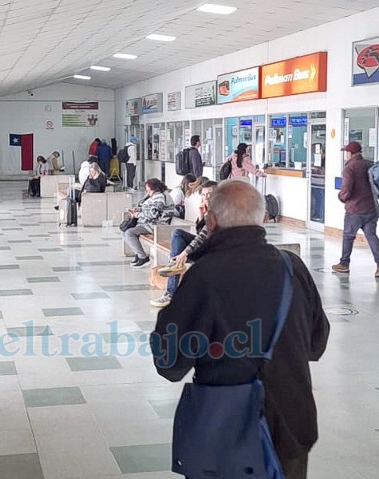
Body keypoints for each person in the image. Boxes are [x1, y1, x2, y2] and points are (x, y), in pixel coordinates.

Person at [151, 179, 330, 479]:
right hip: (291, 424)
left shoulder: (203, 276)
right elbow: (317, 344)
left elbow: (169, 364)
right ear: (261, 217)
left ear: (211, 220)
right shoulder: (292, 267)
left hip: (224, 430)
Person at [150, 181, 218, 308]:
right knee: (178, 234)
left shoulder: (220, 211)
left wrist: (184, 253)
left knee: (179, 241)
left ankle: (171, 290)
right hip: (207, 248)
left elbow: (203, 237)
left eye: (210, 194)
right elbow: (201, 234)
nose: (206, 198)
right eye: (204, 195)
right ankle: (174, 266)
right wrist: (201, 216)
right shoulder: (210, 211)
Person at [333, 141, 379, 278]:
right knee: (372, 236)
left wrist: (341, 197)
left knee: (348, 236)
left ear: (350, 153)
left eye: (346, 152)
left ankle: (344, 264)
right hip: (371, 209)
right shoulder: (370, 165)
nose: (345, 154)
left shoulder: (349, 168)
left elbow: (346, 190)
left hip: (354, 210)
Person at [123, 178, 174, 269]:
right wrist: (139, 209)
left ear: (153, 188)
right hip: (149, 224)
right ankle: (138, 254)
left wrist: (137, 214)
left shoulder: (159, 197)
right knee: (126, 230)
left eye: (148, 190)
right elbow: (150, 208)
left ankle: (142, 257)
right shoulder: (158, 195)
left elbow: (153, 214)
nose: (147, 192)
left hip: (155, 225)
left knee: (129, 233)